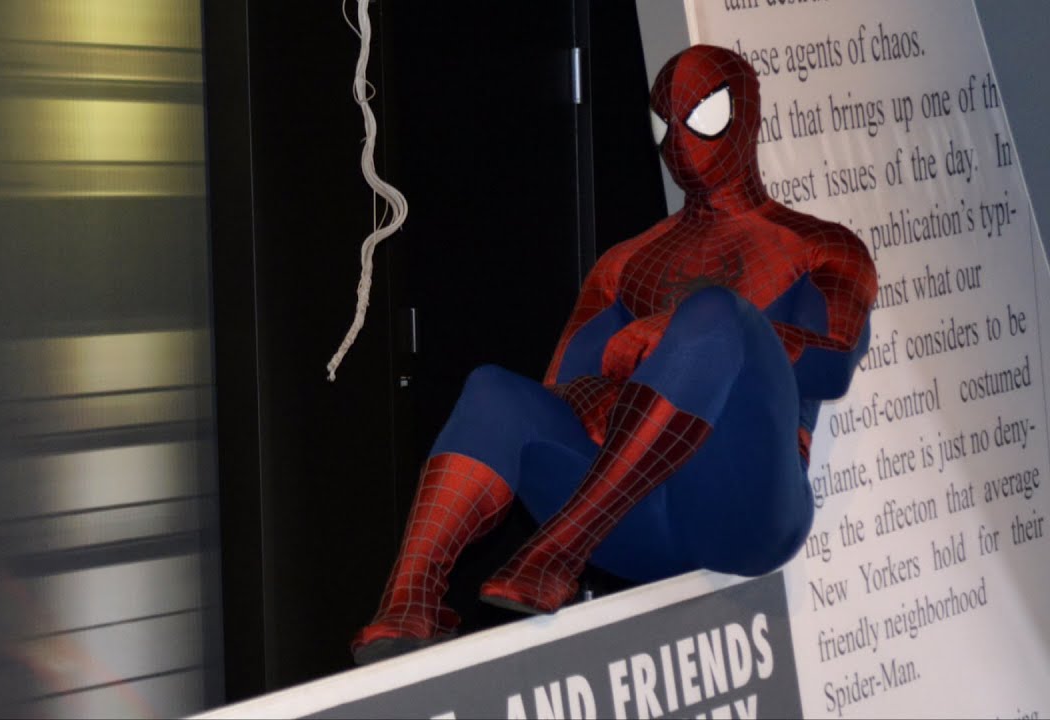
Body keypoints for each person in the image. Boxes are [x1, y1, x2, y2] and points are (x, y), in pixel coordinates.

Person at [351, 44, 877, 665]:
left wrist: (680, 332)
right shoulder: (627, 262)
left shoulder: (820, 245)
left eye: (702, 116)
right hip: (635, 519)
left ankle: (560, 549)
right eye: (665, 122)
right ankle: (409, 599)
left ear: (747, 113)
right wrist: (628, 382)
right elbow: (561, 391)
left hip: (745, 512)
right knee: (493, 390)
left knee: (717, 315)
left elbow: (832, 365)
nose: (680, 140)